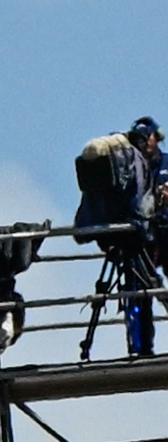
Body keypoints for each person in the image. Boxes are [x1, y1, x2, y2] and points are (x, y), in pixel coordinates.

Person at [88, 121, 168, 362]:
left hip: (165, 233)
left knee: (152, 285)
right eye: (138, 138)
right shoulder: (132, 165)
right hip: (141, 237)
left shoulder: (165, 163)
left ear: (156, 138)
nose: (143, 142)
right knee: (138, 291)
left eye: (147, 137)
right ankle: (141, 347)